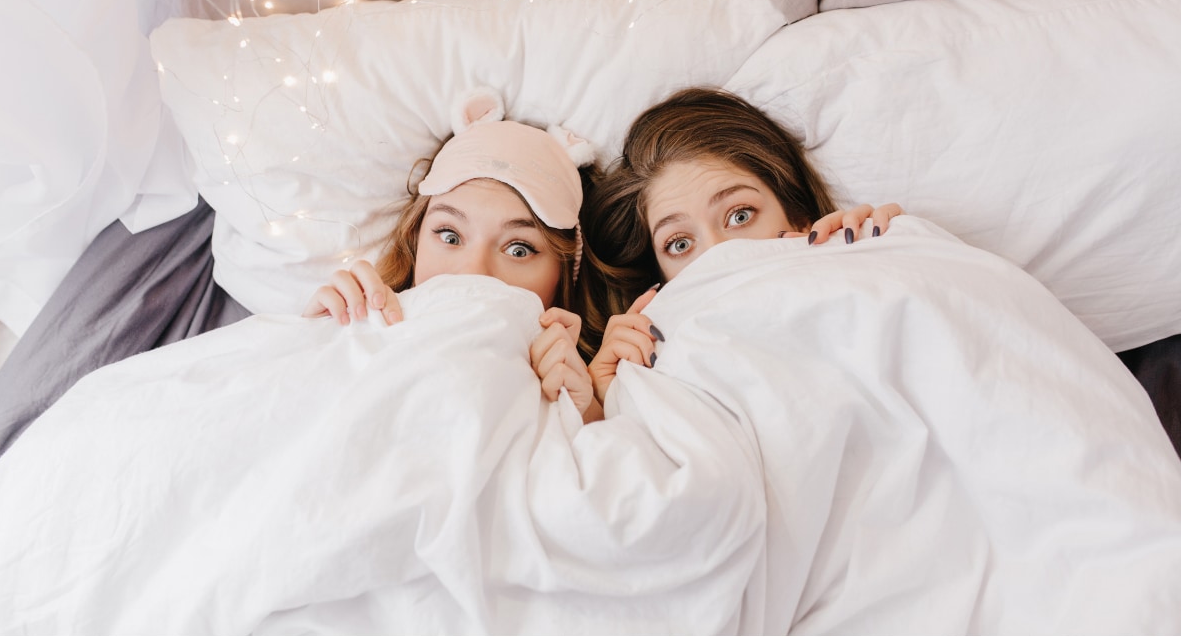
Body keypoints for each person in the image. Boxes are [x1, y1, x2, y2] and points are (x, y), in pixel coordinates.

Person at [577, 86, 904, 407]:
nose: (718, 253)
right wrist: (609, 403)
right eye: (679, 244)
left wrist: (896, 256)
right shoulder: (653, 378)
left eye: (740, 215)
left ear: (800, 218)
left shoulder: (875, 256)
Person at [302, 88, 604, 423]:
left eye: (518, 249)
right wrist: (314, 345)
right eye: (450, 236)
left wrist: (585, 416)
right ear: (415, 242)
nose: (473, 272)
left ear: (564, 275)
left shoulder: (593, 399)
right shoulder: (355, 334)